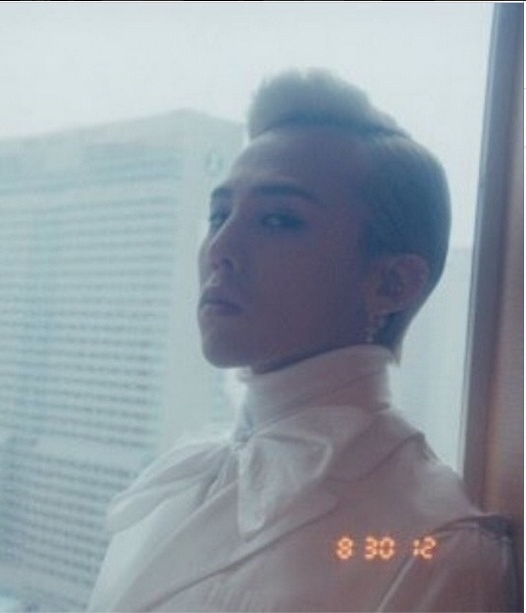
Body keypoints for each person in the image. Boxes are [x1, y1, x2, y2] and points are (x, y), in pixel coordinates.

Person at [87, 69, 516, 612]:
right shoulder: (181, 477)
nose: (220, 248)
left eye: (277, 220)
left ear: (391, 282)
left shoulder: (436, 545)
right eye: (219, 214)